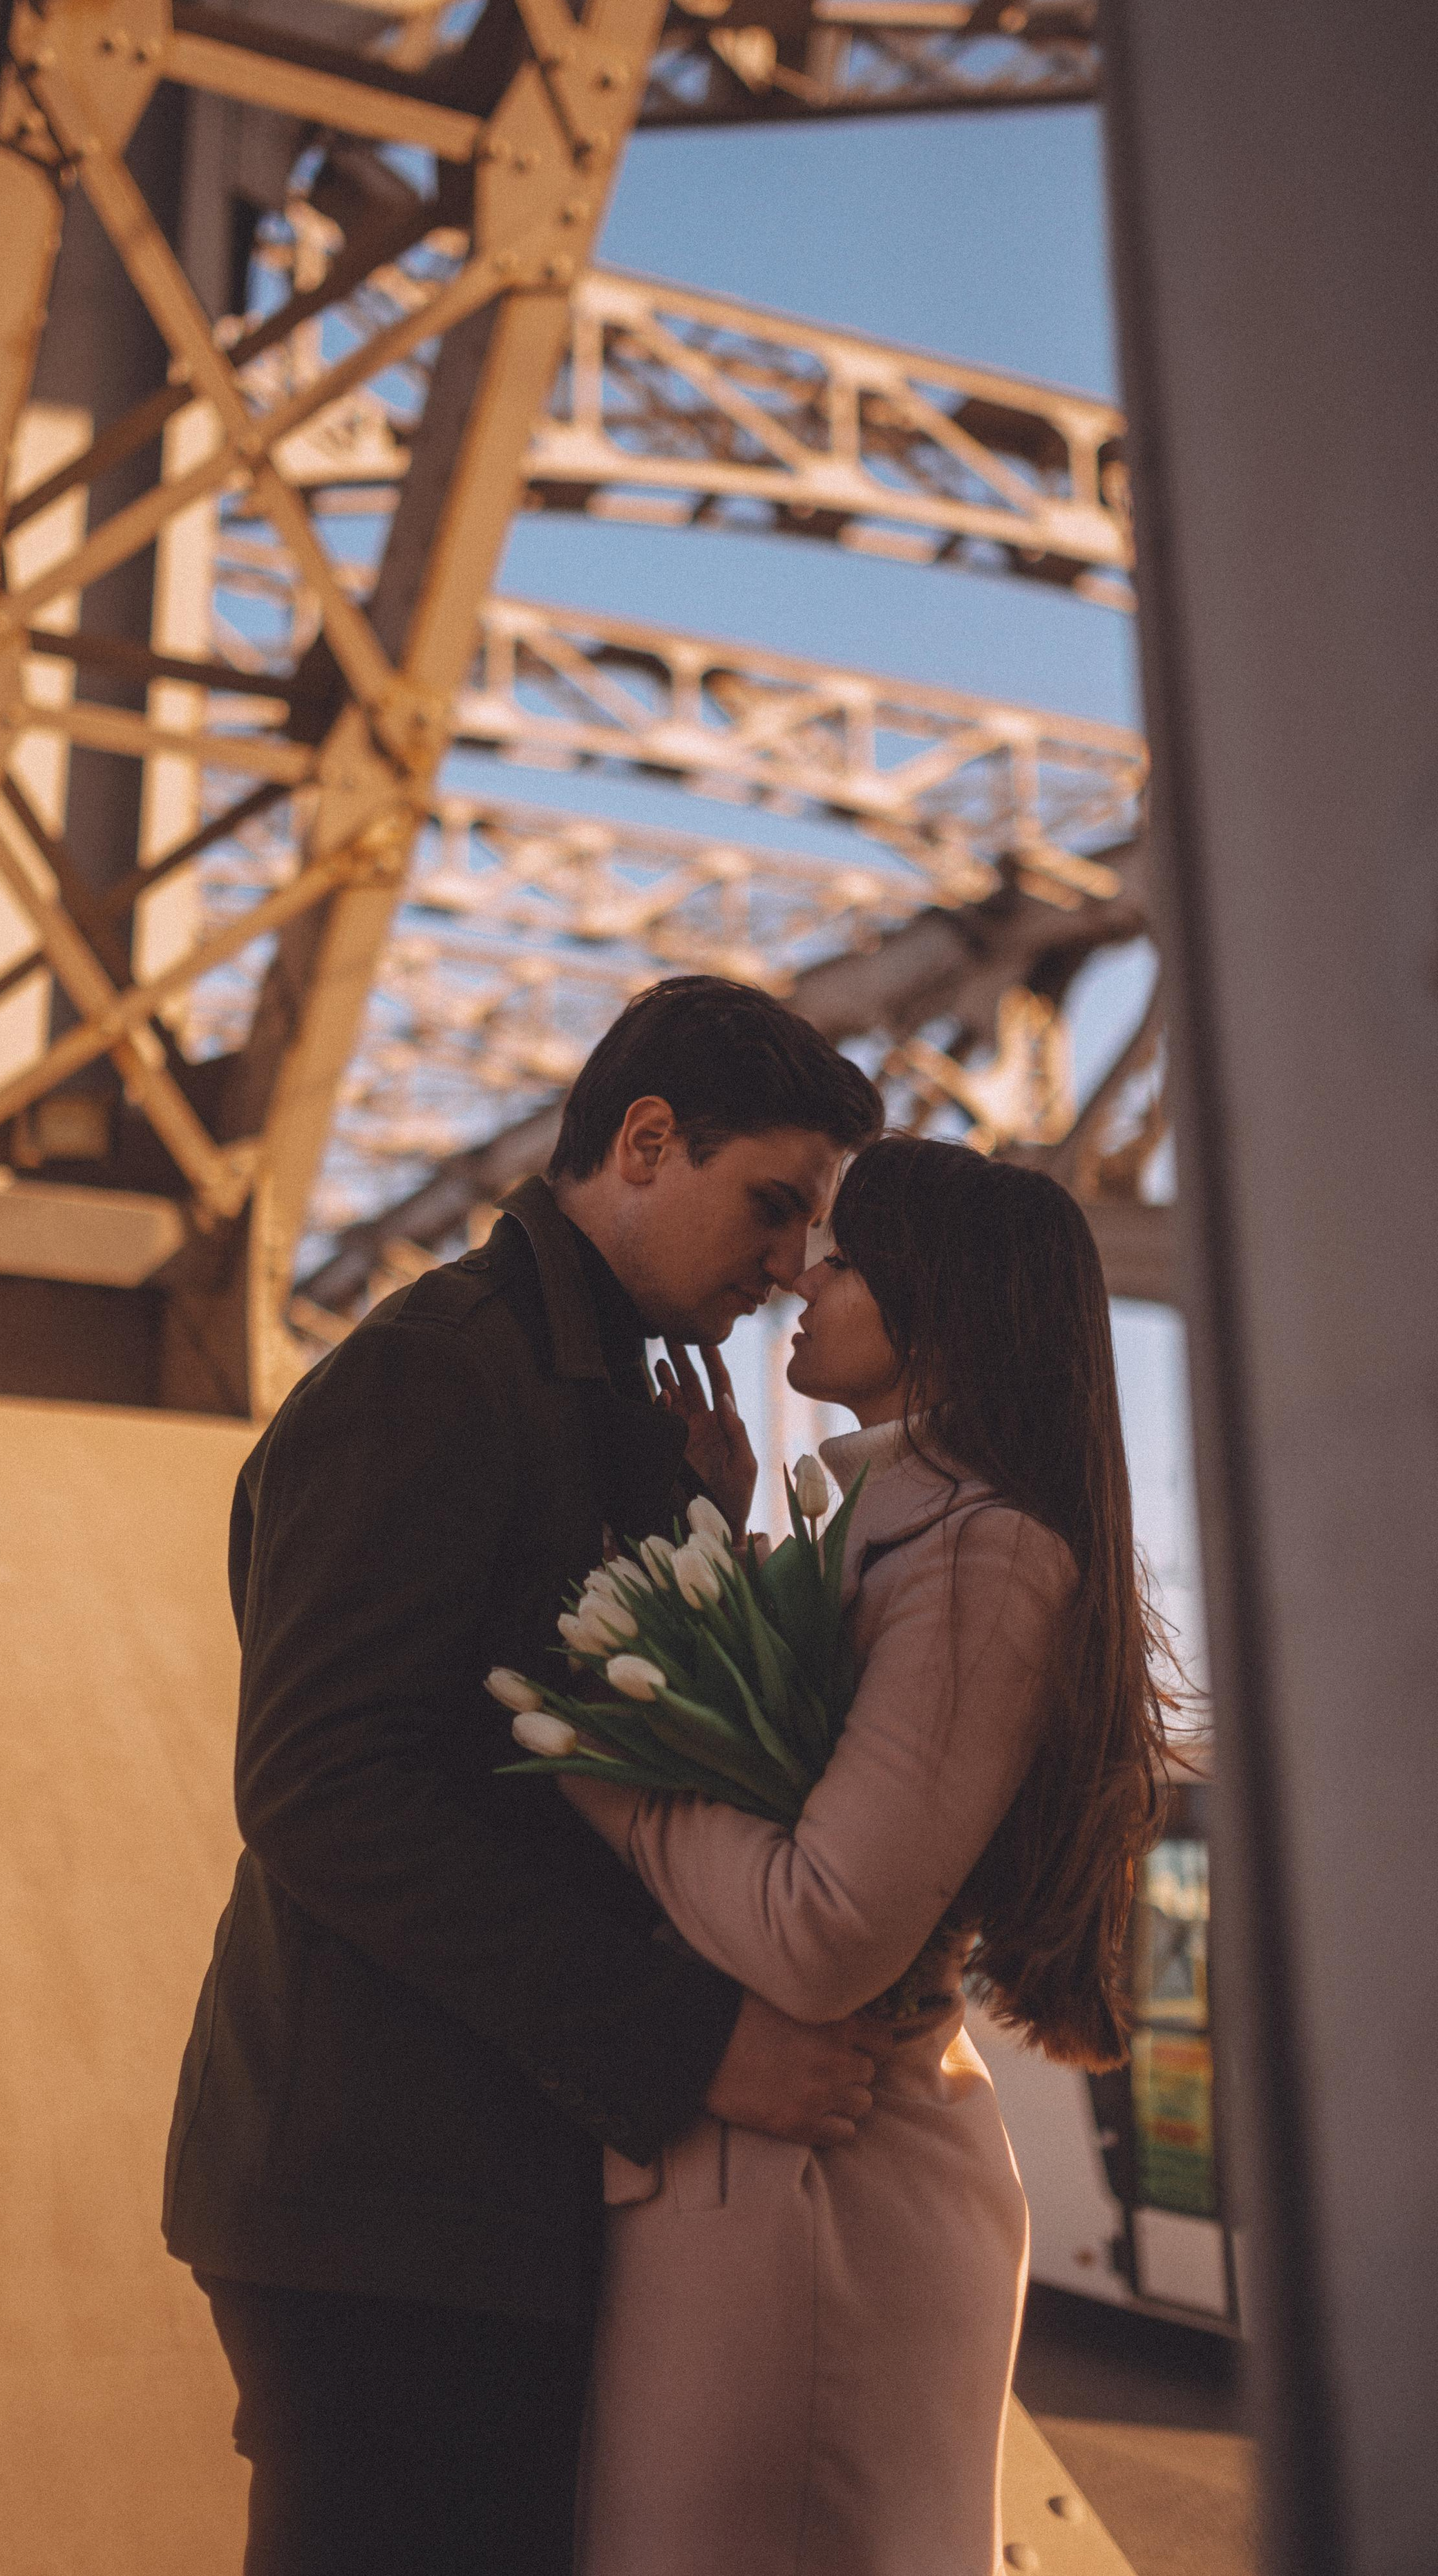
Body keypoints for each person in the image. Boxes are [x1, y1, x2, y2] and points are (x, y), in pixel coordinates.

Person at [162, 976, 887, 2576]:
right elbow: (321, 1786)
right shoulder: (439, 1371)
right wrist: (687, 2042)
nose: (787, 1273)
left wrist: (717, 1526)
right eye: (770, 1208)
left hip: (455, 2189)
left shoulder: (587, 1390)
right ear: (643, 1140)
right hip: (385, 2201)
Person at [565, 1134, 1174, 2576]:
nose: (796, 1280)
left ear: (939, 1304)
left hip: (816, 2207)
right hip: (780, 2194)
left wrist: (599, 1770)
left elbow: (825, 1924)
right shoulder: (901, 1530)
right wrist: (715, 1535)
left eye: (837, 1259)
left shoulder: (980, 1556)